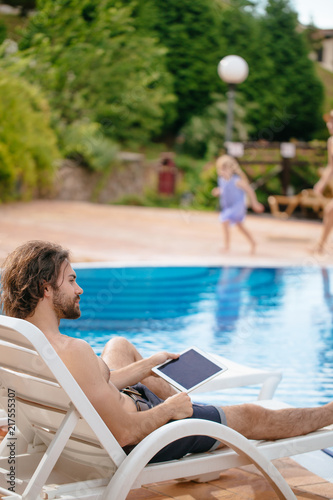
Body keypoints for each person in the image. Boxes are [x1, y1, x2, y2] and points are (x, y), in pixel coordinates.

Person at [1, 240, 333, 463]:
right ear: (46, 288)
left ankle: (194, 407)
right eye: (71, 280)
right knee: (252, 415)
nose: (80, 289)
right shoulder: (74, 349)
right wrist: (171, 409)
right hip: (143, 437)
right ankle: (326, 414)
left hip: (88, 430)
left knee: (118, 344)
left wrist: (148, 366)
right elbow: (125, 431)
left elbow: (89, 388)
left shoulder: (20, 339)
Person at [211, 155, 264, 254]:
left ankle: (226, 246)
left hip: (238, 206)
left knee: (225, 220)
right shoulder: (221, 180)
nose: (222, 171)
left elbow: (250, 190)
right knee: (240, 225)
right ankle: (253, 242)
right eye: (220, 169)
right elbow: (225, 190)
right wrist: (218, 191)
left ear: (231, 169)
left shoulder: (237, 180)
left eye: (224, 169)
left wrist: (254, 203)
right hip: (228, 206)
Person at [312, 110, 333, 253]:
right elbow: (331, 166)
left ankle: (321, 246)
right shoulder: (331, 142)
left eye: (331, 121)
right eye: (329, 121)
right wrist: (321, 183)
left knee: (330, 210)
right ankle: (321, 246)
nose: (328, 124)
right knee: (330, 211)